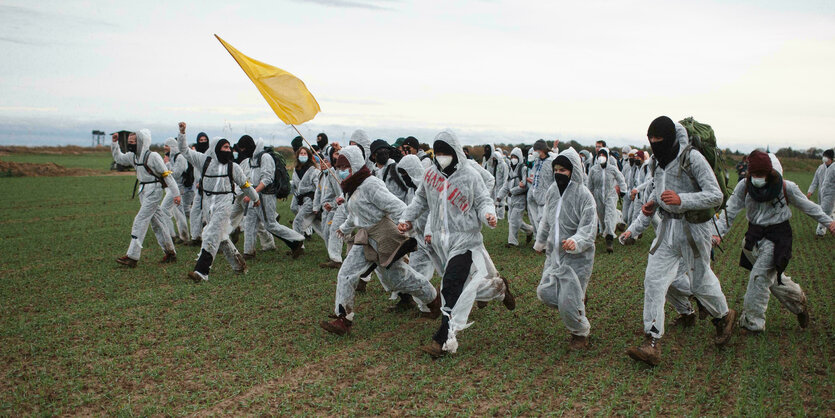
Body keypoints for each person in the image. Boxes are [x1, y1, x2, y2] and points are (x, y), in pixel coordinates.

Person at [620, 116, 736, 367]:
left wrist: (682, 200)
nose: (654, 145)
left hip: (695, 229)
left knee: (700, 280)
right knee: (653, 280)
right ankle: (652, 342)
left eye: (659, 141)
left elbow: (715, 196)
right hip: (667, 228)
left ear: (671, 139)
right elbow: (657, 188)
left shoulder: (692, 158)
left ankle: (724, 316)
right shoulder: (656, 162)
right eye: (651, 141)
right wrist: (652, 204)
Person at [398, 130, 515, 359]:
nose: (441, 156)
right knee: (460, 287)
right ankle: (498, 288)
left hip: (466, 240)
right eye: (438, 152)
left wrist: (488, 214)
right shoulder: (431, 175)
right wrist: (406, 219)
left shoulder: (469, 175)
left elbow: (482, 200)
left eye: (445, 152)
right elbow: (420, 200)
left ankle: (443, 340)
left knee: (450, 286)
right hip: (442, 242)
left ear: (454, 152)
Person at [319, 145, 440, 335]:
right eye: (340, 168)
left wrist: (406, 222)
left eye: (346, 167)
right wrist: (344, 228)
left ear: (356, 165)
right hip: (366, 238)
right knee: (346, 273)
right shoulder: (352, 187)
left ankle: (433, 298)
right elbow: (355, 214)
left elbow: (396, 205)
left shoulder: (370, 184)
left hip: (383, 238)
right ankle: (344, 318)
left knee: (397, 279)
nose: (342, 172)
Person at [715, 151, 835, 333]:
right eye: (754, 175)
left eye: (761, 175)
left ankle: (752, 324)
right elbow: (729, 212)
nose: (757, 178)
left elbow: (809, 207)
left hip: (777, 238)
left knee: (759, 278)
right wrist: (717, 234)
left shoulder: (786, 188)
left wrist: (830, 222)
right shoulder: (744, 187)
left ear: (770, 172)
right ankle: (798, 300)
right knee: (771, 278)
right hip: (753, 237)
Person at [177, 122, 259, 282]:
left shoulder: (233, 167)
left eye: (229, 148)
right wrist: (182, 133)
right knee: (220, 235)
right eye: (224, 147)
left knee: (209, 233)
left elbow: (245, 184)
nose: (228, 150)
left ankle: (201, 272)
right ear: (216, 149)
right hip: (208, 205)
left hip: (225, 204)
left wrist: (255, 198)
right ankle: (239, 264)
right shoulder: (204, 162)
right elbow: (184, 151)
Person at [532, 148, 597, 349]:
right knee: (545, 292)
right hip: (554, 254)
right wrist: (540, 242)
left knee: (568, 299)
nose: (559, 173)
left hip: (577, 258)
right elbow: (546, 220)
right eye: (556, 169)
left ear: (573, 171)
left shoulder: (584, 196)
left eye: (563, 170)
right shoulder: (552, 191)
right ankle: (577, 300)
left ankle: (580, 334)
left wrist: (575, 242)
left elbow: (589, 228)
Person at [112, 130, 180, 267]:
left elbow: (167, 175)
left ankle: (132, 256)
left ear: (141, 142)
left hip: (154, 191)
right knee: (158, 223)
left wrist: (176, 193)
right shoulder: (133, 156)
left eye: (133, 142)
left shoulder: (153, 156)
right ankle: (170, 252)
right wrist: (114, 144)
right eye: (129, 142)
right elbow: (119, 158)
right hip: (143, 191)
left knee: (140, 220)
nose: (130, 144)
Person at [239, 136, 305, 260]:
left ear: (248, 147)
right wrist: (249, 192)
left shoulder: (265, 157)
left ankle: (298, 240)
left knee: (270, 224)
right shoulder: (251, 159)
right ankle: (248, 251)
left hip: (266, 196)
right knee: (249, 223)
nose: (242, 152)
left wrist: (253, 192)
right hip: (255, 195)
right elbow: (250, 178)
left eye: (243, 149)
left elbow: (267, 179)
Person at [587, 147, 627, 253]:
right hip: (597, 196)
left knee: (609, 216)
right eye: (599, 155)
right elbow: (589, 185)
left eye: (603, 155)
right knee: (602, 217)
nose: (601, 157)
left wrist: (623, 190)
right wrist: (589, 196)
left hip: (610, 195)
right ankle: (606, 233)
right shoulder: (593, 170)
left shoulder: (612, 168)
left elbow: (620, 178)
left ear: (607, 157)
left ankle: (609, 240)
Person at [315, 146, 345, 268]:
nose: (323, 164)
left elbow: (340, 194)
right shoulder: (325, 175)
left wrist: (332, 204)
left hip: (335, 209)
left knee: (332, 230)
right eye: (321, 162)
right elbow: (321, 193)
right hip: (327, 209)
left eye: (326, 161)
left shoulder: (334, 174)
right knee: (326, 231)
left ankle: (335, 258)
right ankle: (331, 254)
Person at [502, 147, 534, 247]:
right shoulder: (510, 169)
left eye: (515, 157)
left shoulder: (523, 169)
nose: (513, 159)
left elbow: (524, 186)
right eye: (512, 157)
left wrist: (513, 191)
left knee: (513, 221)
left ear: (519, 157)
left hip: (520, 199)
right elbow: (506, 185)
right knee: (514, 220)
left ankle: (512, 242)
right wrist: (500, 196)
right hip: (511, 200)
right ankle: (530, 230)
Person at [161, 137, 190, 244]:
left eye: (167, 145)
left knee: (164, 209)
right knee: (179, 213)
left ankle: (172, 235)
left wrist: (167, 164)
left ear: (172, 147)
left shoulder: (180, 158)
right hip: (172, 188)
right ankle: (183, 236)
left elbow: (176, 174)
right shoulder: (171, 157)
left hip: (177, 188)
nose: (164, 147)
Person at [291, 146, 322, 238]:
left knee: (297, 221)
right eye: (301, 153)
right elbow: (295, 185)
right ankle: (330, 239)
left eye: (305, 153)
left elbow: (318, 187)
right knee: (317, 224)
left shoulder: (313, 170)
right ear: (298, 155)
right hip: (301, 199)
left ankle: (299, 245)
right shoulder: (296, 170)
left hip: (310, 200)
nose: (303, 155)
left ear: (308, 156)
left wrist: (317, 204)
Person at [526, 139, 555, 238]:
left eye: (536, 150)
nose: (534, 152)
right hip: (534, 193)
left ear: (542, 150)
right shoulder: (537, 161)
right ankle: (539, 238)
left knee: (543, 219)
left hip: (545, 195)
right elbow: (535, 175)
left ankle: (545, 241)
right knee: (535, 219)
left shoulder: (551, 162)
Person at [188, 132, 210, 245]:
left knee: (208, 213)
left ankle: (212, 238)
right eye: (200, 140)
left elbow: (211, 171)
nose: (202, 142)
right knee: (194, 212)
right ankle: (195, 237)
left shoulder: (210, 155)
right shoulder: (196, 155)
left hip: (209, 190)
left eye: (204, 140)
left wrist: (202, 182)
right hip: (198, 189)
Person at [807, 149, 833, 236]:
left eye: (826, 157)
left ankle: (820, 231)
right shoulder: (820, 168)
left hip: (832, 194)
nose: (824, 158)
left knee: (824, 212)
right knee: (829, 212)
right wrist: (810, 191)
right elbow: (815, 181)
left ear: (831, 158)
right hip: (821, 193)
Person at [483, 143, 509, 220]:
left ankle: (501, 216)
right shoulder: (491, 165)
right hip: (494, 186)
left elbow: (505, 177)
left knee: (500, 202)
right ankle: (494, 214)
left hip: (500, 186)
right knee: (492, 201)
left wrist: (505, 186)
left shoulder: (503, 165)